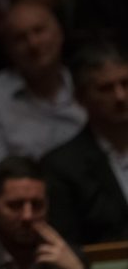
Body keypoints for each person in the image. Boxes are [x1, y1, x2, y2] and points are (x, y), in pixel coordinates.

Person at [0, 2, 86, 168]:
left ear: (59, 34)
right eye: (20, 38)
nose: (33, 43)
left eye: (39, 31)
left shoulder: (86, 83)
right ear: (8, 49)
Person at [39, 39, 128, 244]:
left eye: (125, 84)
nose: (120, 96)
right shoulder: (61, 167)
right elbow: (66, 246)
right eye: (106, 88)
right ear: (80, 97)